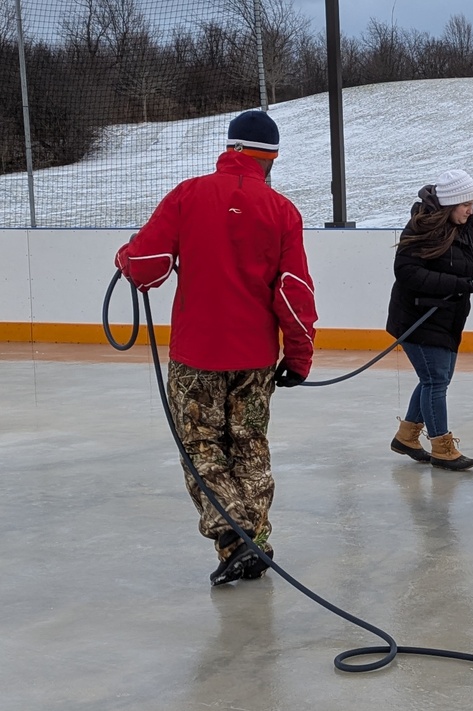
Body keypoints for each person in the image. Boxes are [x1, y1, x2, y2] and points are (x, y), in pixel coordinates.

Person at [113, 110, 318, 586]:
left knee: (201, 446)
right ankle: (256, 542)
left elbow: (146, 265)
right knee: (250, 445)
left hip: (196, 355)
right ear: (270, 158)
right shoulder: (282, 210)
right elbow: (293, 290)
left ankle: (234, 538)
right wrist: (300, 356)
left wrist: (125, 256)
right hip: (255, 357)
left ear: (229, 149)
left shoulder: (189, 195)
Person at [386, 169, 473, 471]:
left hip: (448, 318)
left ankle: (407, 437)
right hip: (416, 318)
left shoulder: (471, 231)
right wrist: (456, 284)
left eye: (472, 203)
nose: (471, 210)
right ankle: (442, 447)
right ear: (450, 204)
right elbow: (407, 273)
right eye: (466, 205)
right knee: (436, 380)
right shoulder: (420, 229)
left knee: (436, 378)